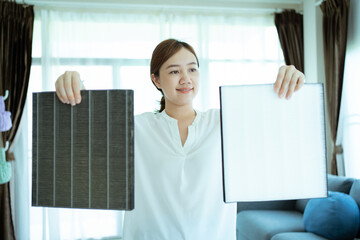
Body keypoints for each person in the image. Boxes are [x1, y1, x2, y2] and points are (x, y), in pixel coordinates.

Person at [55, 39, 305, 240]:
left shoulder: (225, 122)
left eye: (192, 69)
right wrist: (73, 84)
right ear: (156, 79)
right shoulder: (136, 127)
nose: (186, 78)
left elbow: (279, 128)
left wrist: (291, 80)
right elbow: (83, 130)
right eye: (174, 71)